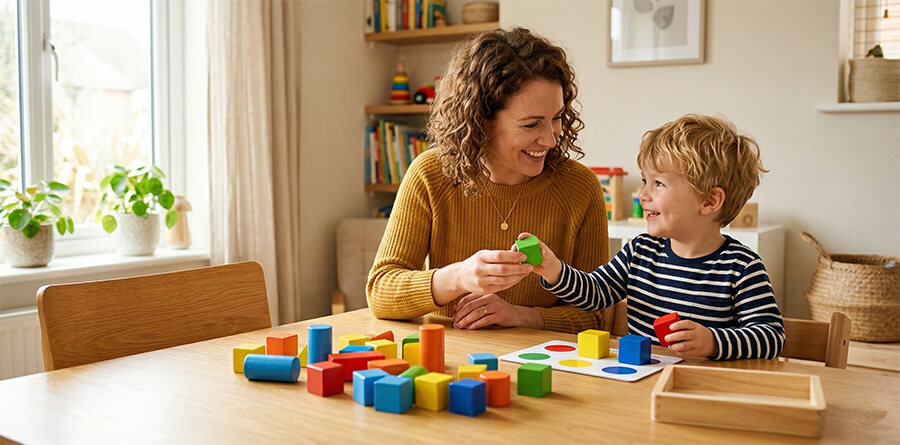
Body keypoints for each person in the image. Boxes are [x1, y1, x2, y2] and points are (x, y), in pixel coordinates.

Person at [366, 27, 626, 334]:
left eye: (556, 117)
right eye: (532, 124)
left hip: (538, 361)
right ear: (481, 119)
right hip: (447, 357)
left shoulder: (580, 187)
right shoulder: (430, 173)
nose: (550, 139)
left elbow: (595, 316)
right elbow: (381, 291)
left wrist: (521, 315)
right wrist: (460, 277)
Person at [525, 114, 785, 360]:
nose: (643, 195)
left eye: (658, 184)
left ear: (709, 200)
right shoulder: (639, 251)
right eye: (644, 182)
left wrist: (713, 342)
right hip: (639, 380)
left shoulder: (742, 267)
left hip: (706, 390)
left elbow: (771, 337)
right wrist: (555, 270)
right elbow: (595, 293)